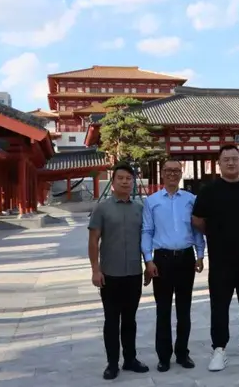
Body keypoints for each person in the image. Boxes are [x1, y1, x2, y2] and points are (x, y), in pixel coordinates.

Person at [191, 145, 239, 371]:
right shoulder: (209, 190)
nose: (231, 163)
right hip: (221, 259)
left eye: (235, 158)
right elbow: (197, 220)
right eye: (226, 159)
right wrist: (216, 233)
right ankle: (219, 348)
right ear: (219, 163)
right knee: (219, 304)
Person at [88, 162, 150, 380]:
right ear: (112, 182)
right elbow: (93, 240)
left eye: (128, 178)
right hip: (110, 274)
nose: (125, 182)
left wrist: (148, 265)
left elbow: (146, 239)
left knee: (130, 320)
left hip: (134, 273)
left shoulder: (140, 209)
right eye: (120, 178)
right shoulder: (102, 208)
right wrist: (95, 270)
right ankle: (112, 363)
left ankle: (130, 359)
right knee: (112, 320)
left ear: (133, 182)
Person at [142, 160, 205, 372]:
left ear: (181, 173)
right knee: (163, 310)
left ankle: (182, 353)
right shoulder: (151, 201)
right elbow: (147, 231)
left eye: (176, 171)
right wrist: (148, 260)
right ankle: (163, 356)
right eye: (168, 170)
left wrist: (200, 254)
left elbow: (197, 229)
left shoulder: (190, 199)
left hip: (186, 258)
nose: (172, 174)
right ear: (162, 173)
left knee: (184, 310)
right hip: (162, 260)